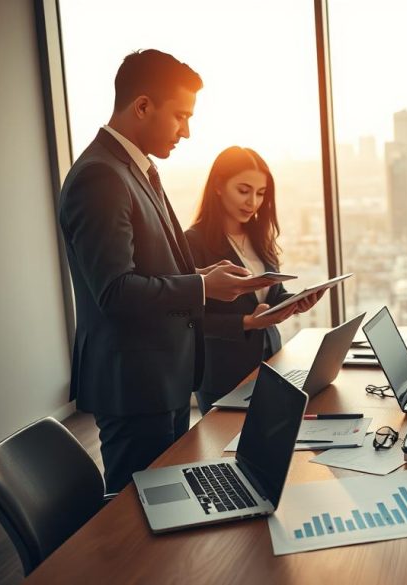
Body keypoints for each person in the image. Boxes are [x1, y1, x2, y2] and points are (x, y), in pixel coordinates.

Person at [57, 50, 271, 493]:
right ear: (142, 106)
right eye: (180, 116)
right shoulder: (101, 177)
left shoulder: (133, 170)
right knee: (136, 522)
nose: (187, 132)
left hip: (162, 376)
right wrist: (200, 286)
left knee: (169, 508)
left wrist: (205, 275)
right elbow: (115, 291)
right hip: (136, 383)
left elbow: (154, 267)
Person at [185, 146, 323, 414]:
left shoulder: (260, 236)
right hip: (223, 372)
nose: (253, 202)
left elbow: (272, 294)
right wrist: (247, 322)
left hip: (270, 361)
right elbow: (189, 319)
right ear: (218, 186)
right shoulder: (193, 242)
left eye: (260, 193)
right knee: (226, 448)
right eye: (244, 190)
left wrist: (295, 301)